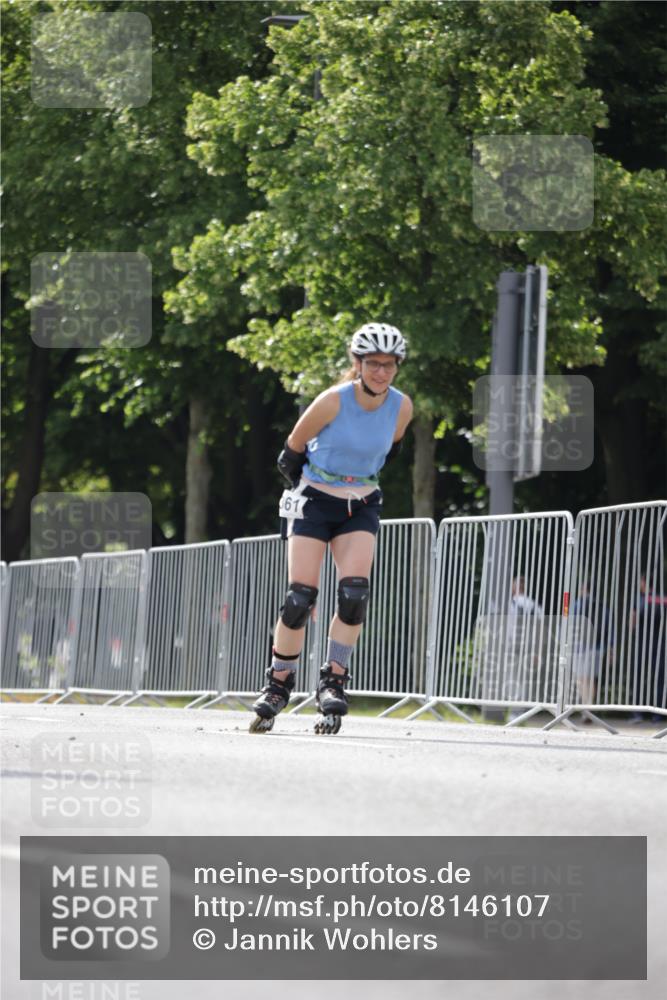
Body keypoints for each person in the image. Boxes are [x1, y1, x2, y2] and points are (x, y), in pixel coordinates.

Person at [250, 323, 414, 734]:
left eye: (389, 364)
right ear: (356, 363)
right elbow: (290, 453)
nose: (381, 371)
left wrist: (353, 487)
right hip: (314, 501)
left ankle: (333, 679)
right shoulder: (332, 401)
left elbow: (388, 452)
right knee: (299, 599)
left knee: (354, 592)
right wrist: (312, 495)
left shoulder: (402, 406)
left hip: (360, 504)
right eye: (373, 363)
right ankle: (279, 682)